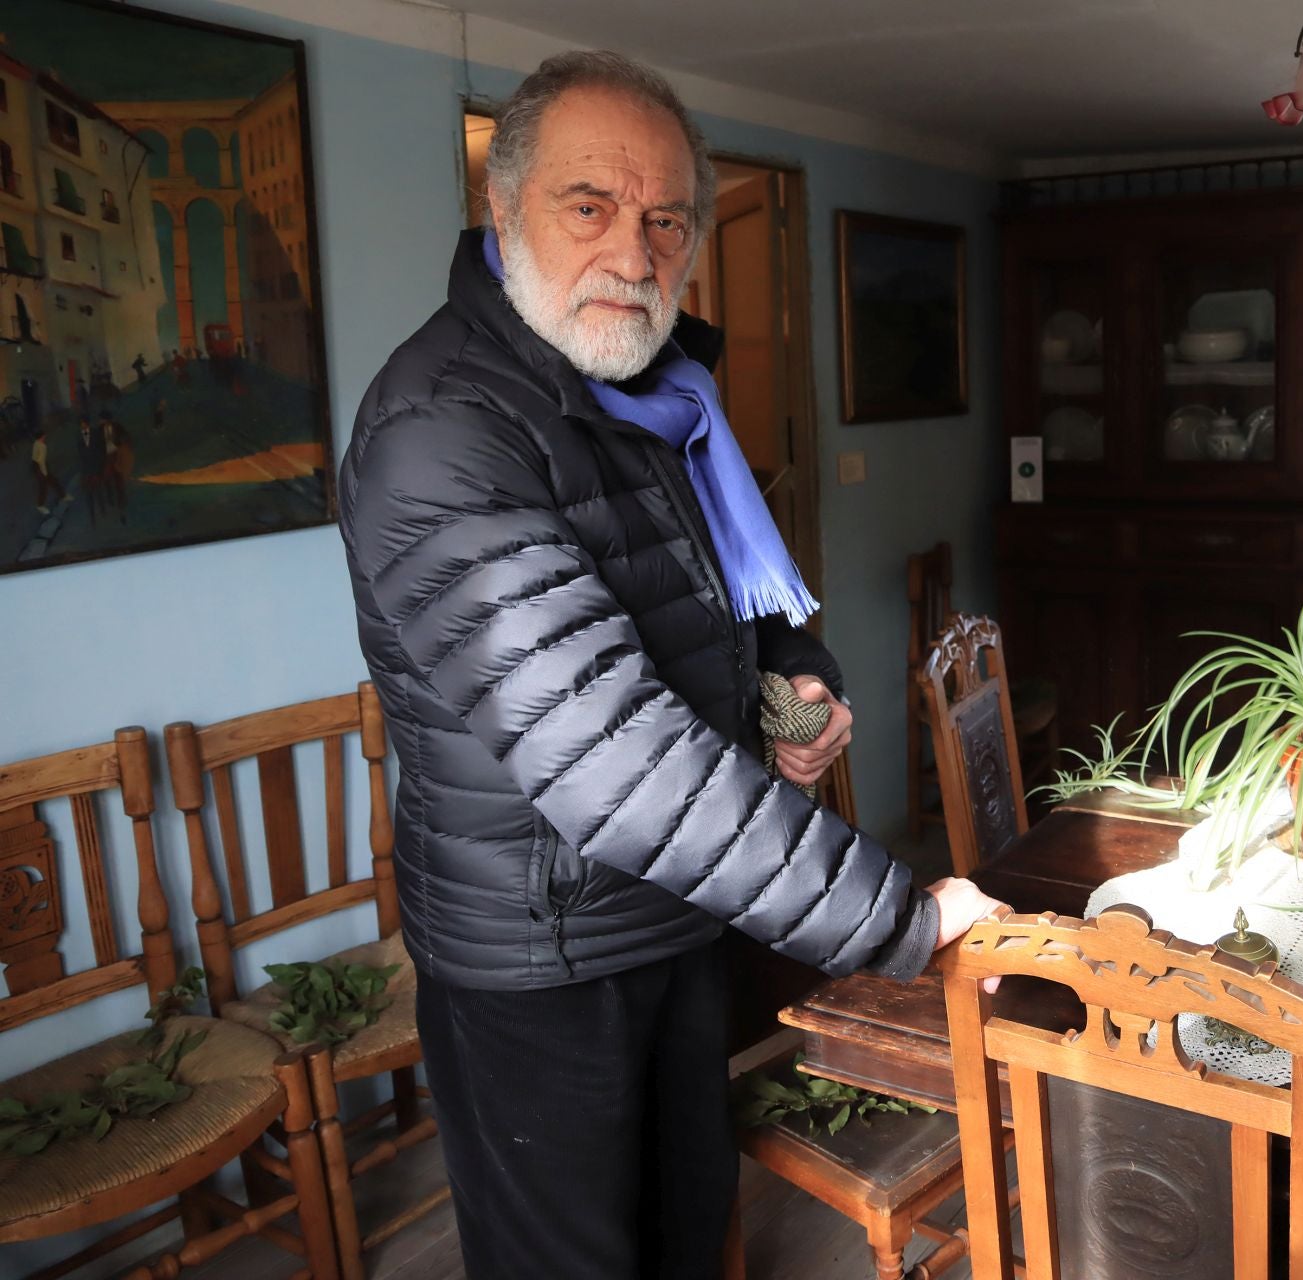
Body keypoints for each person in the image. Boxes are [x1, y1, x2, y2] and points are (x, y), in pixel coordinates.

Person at [337, 50, 1007, 1280]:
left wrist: (786, 674)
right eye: (588, 206)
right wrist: (901, 913)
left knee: (688, 1234)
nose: (634, 253)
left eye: (665, 219)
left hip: (672, 915)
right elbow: (613, 758)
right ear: (503, 211)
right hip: (540, 959)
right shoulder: (442, 429)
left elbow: (719, 590)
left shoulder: (656, 393)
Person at [30, 427, 66, 514]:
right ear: (41, 437)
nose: (45, 437)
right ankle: (40, 505)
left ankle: (62, 495)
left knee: (52, 482)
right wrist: (45, 472)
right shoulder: (42, 446)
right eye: (44, 436)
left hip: (36, 466)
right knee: (45, 486)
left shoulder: (36, 443)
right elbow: (41, 461)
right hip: (40, 468)